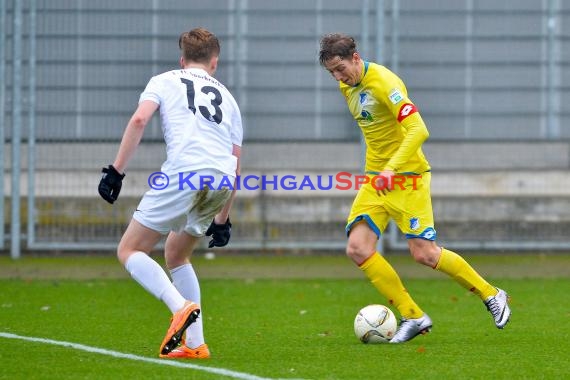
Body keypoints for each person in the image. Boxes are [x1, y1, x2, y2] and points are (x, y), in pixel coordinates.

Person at [318, 33, 510, 343]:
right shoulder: (347, 85)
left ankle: (492, 294)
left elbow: (419, 130)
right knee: (358, 248)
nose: (338, 77)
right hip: (376, 180)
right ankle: (413, 315)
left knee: (424, 254)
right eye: (332, 73)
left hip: (407, 178)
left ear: (356, 57)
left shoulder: (384, 82)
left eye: (341, 69)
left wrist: (392, 169)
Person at [98, 27, 243, 358]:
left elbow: (138, 121)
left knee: (130, 250)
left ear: (182, 60)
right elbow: (236, 165)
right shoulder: (230, 100)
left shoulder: (164, 80)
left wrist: (116, 171)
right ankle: (196, 344)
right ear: (214, 63)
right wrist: (223, 219)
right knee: (178, 255)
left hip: (184, 174)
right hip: (220, 179)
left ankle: (179, 307)